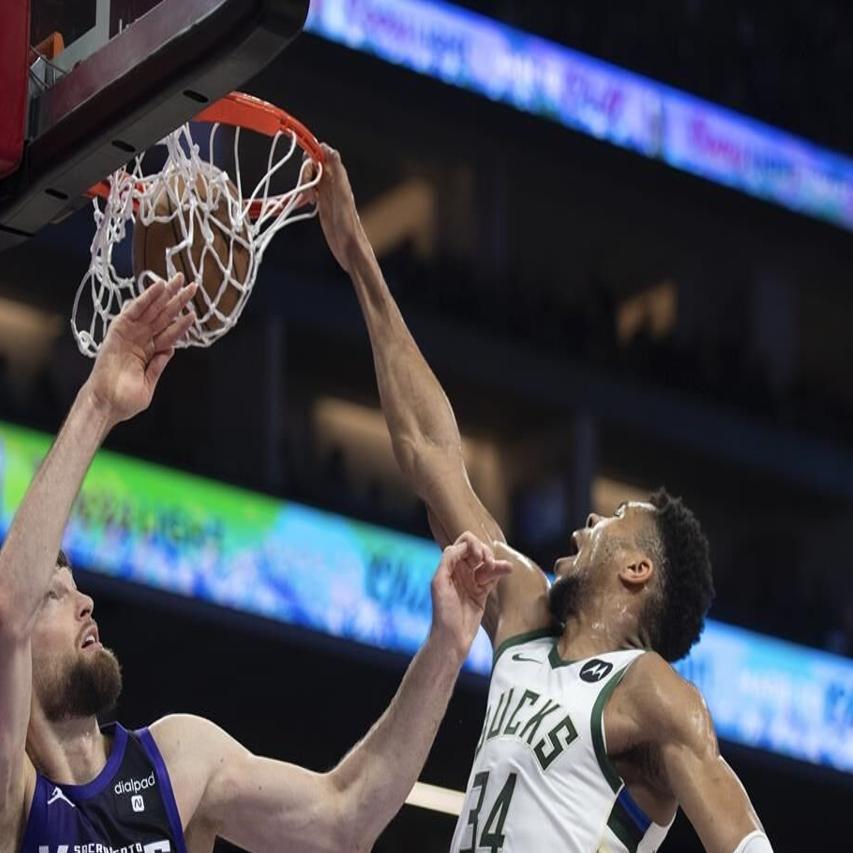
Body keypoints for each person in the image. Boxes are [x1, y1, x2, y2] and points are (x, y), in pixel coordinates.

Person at [311, 146, 774, 853]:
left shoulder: (651, 691)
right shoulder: (523, 614)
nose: (589, 520)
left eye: (614, 521)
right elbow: (430, 454)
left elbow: (743, 843)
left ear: (636, 570)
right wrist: (358, 258)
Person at [0, 273, 512, 853]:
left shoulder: (177, 762)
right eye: (54, 596)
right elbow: (7, 608)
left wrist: (447, 643)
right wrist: (98, 403)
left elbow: (345, 819)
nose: (84, 603)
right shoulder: (14, 795)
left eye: (76, 587)